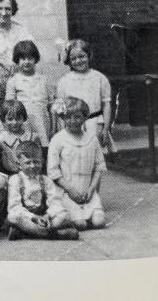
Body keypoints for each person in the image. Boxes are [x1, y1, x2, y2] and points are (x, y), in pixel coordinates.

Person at [48, 97, 107, 230]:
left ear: (85, 117)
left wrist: (92, 189)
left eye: (77, 117)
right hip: (67, 192)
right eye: (68, 117)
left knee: (99, 222)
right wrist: (70, 190)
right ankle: (68, 216)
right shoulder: (58, 139)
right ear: (63, 118)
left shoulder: (92, 139)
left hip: (88, 191)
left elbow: (99, 166)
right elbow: (53, 171)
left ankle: (89, 214)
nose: (73, 121)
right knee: (80, 225)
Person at [7, 139, 78, 240]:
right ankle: (54, 235)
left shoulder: (46, 180)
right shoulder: (15, 180)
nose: (32, 166)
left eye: (36, 162)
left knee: (64, 214)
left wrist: (47, 216)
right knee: (13, 217)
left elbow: (55, 203)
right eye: (28, 163)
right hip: (28, 218)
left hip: (45, 218)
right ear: (18, 164)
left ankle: (25, 233)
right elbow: (14, 207)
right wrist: (33, 217)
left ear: (42, 161)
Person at [55, 39, 112, 146]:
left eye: (82, 56)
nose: (78, 61)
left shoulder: (99, 78)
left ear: (88, 55)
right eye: (73, 58)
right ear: (69, 61)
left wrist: (106, 129)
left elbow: (106, 105)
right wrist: (63, 131)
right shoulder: (64, 82)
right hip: (72, 126)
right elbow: (60, 110)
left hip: (95, 125)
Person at [5, 39, 53, 145]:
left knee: (43, 149)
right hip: (23, 124)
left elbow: (51, 106)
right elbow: (9, 108)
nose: (26, 62)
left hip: (42, 122)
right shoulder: (13, 81)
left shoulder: (44, 80)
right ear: (17, 60)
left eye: (30, 58)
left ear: (35, 59)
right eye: (22, 58)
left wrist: (53, 128)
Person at [0, 99, 41, 175]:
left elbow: (38, 159)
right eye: (10, 119)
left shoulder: (32, 137)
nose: (14, 122)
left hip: (30, 174)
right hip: (8, 174)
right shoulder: (0, 137)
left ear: (24, 118)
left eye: (18, 118)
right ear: (3, 119)